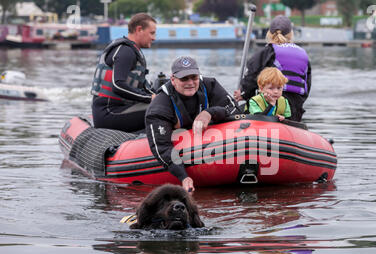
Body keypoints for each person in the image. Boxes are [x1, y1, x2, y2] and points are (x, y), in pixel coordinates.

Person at [145, 56, 236, 193]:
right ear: (173, 80)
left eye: (194, 77)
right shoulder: (160, 106)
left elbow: (235, 111)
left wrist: (210, 112)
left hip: (208, 141)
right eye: (184, 79)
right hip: (175, 143)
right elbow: (162, 148)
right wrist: (184, 177)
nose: (190, 82)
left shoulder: (209, 85)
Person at [234, 15, 311, 122]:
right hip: (295, 110)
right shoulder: (303, 54)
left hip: (268, 103)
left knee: (235, 112)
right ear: (291, 34)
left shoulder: (267, 51)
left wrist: (244, 93)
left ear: (269, 34)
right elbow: (307, 84)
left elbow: (252, 76)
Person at [91, 13, 157, 133]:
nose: (154, 38)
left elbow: (143, 87)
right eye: (152, 33)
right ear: (139, 30)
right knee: (164, 109)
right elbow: (117, 85)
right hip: (108, 113)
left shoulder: (130, 51)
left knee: (165, 103)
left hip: (119, 109)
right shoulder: (125, 52)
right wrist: (150, 98)